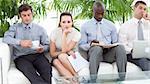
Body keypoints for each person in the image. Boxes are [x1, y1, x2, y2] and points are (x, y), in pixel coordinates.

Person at [79, 1, 127, 82]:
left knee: (120, 48)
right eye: (98, 13)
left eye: (102, 13)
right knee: (97, 48)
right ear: (93, 11)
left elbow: (115, 42)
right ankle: (93, 80)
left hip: (108, 54)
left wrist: (110, 45)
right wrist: (91, 44)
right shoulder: (85, 26)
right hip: (94, 53)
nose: (100, 16)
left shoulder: (111, 25)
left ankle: (122, 79)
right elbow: (81, 45)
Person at [3, 4, 51, 84]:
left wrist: (43, 48)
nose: (27, 18)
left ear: (32, 14)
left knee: (47, 69)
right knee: (29, 72)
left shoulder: (40, 29)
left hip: (37, 55)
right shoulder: (15, 28)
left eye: (29, 15)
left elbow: (47, 45)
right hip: (21, 57)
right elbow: (6, 39)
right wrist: (20, 42)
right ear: (20, 16)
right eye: (24, 15)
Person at [119, 0, 150, 71]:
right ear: (134, 8)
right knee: (144, 61)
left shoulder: (148, 23)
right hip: (131, 54)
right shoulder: (125, 25)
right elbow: (122, 45)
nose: (142, 11)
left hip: (147, 52)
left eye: (145, 9)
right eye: (140, 8)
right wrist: (132, 50)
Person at [50, 12, 81, 80]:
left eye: (68, 22)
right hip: (58, 57)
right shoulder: (54, 32)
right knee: (55, 61)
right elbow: (52, 54)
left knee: (62, 56)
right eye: (63, 22)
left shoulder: (76, 33)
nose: (66, 24)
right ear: (60, 23)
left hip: (73, 57)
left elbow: (64, 50)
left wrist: (64, 35)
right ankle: (73, 81)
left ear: (72, 23)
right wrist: (67, 51)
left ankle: (75, 75)